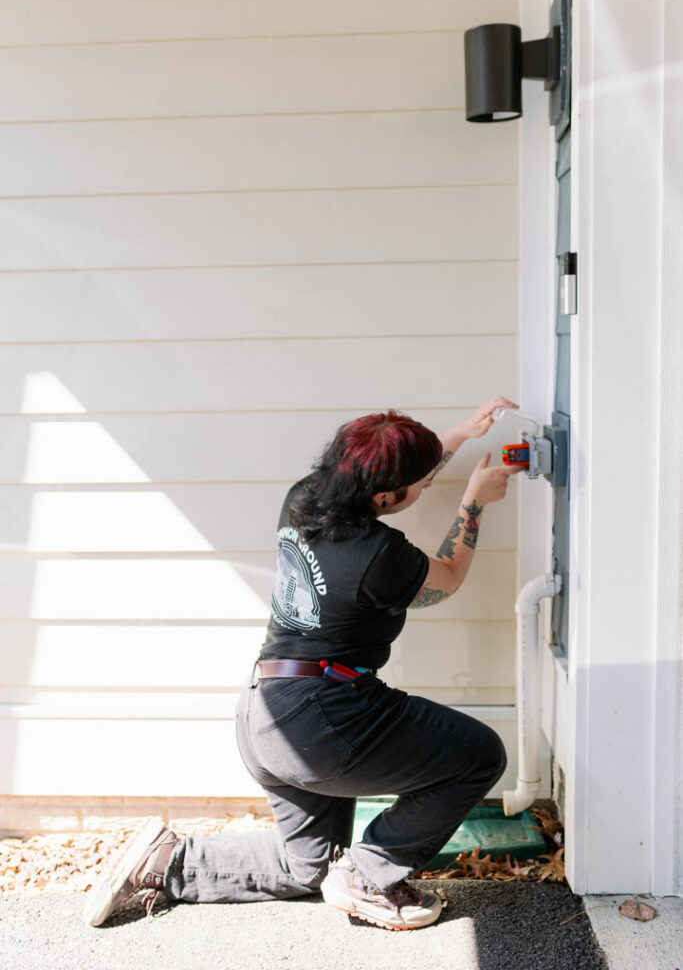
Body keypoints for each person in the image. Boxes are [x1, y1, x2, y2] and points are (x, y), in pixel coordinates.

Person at [86, 397, 522, 931]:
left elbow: (389, 479)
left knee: (304, 867)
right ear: (384, 496)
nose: (429, 487)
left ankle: (165, 863)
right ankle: (367, 875)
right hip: (326, 721)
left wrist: (458, 434)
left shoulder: (306, 495)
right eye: (423, 483)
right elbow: (447, 578)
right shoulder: (379, 555)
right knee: (478, 755)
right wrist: (474, 504)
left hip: (262, 714)